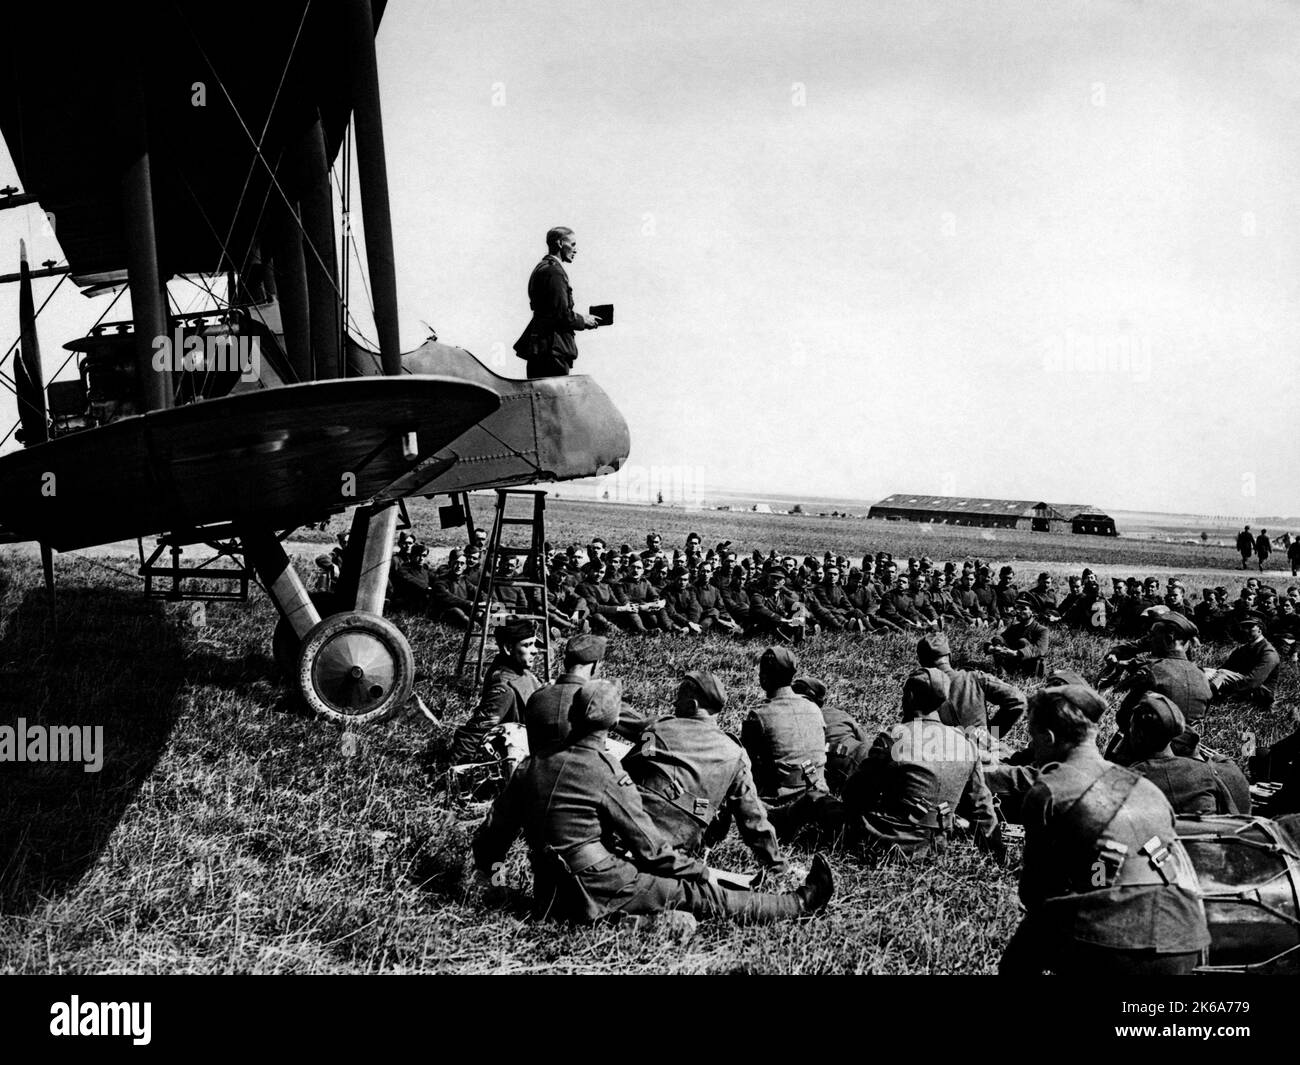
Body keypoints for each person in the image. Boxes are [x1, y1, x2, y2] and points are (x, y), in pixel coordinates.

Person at [472, 680, 834, 924]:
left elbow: (491, 836)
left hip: (546, 888)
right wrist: (703, 873)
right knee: (701, 896)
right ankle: (797, 904)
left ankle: (638, 923)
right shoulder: (607, 774)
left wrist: (490, 870)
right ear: (614, 721)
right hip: (598, 886)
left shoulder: (530, 765)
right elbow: (651, 851)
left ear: (572, 716)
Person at [998, 684, 1210, 976]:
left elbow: (1035, 892)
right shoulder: (1145, 787)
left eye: (1034, 738)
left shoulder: (1049, 790)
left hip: (1110, 941)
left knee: (1017, 961)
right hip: (1184, 934)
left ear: (1048, 737)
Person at [623, 671, 787, 874]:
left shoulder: (658, 729)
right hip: (674, 854)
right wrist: (777, 865)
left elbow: (624, 768)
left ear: (692, 706)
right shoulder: (735, 755)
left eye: (678, 700)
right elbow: (753, 818)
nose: (674, 705)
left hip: (625, 833)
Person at [841, 667, 1002, 859]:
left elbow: (853, 793)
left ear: (909, 696)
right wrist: (996, 854)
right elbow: (982, 807)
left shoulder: (895, 736)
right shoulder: (966, 742)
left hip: (885, 841)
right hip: (935, 846)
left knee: (819, 803)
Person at [741, 647, 838, 840]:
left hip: (779, 798)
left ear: (764, 677)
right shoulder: (813, 707)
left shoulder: (759, 715)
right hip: (817, 788)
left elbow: (746, 764)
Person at [1117, 693, 1246, 815]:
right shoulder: (1205, 771)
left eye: (1130, 729)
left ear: (1139, 735)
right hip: (1207, 836)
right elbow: (1234, 818)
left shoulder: (1129, 779)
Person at [523, 634, 645, 757]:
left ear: (565, 663)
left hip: (537, 772)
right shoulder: (597, 700)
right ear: (595, 665)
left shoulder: (536, 697)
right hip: (588, 772)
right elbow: (647, 727)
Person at [512, 227, 601, 378]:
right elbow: (561, 313)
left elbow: (553, 309)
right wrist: (583, 321)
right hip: (553, 351)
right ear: (560, 243)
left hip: (542, 348)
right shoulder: (554, 272)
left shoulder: (543, 268)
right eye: (572, 245)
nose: (575, 250)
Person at [450, 619, 542, 764]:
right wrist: (456, 770)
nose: (535, 651)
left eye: (534, 644)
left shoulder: (520, 671)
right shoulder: (504, 687)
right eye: (527, 645)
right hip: (518, 755)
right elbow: (474, 732)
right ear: (508, 648)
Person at [916, 633, 1027, 744]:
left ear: (921, 662)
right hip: (982, 753)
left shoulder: (918, 691)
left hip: (944, 756)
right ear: (949, 656)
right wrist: (991, 735)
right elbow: (1018, 700)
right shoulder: (975, 678)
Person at [793, 675, 868, 793]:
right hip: (868, 754)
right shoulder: (838, 713)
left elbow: (805, 761)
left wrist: (815, 784)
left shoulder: (797, 722)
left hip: (846, 771)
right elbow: (863, 739)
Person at [1209, 612, 1280, 710]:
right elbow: (1225, 667)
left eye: (1250, 627)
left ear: (1260, 629)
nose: (1246, 631)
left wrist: (1228, 689)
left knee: (1221, 674)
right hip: (1242, 686)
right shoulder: (1242, 649)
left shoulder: (1269, 653)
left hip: (1261, 695)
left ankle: (1205, 700)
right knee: (1207, 672)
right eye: (1244, 627)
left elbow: (1253, 682)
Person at [985, 596, 1050, 678]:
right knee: (998, 639)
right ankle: (1002, 673)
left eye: (1023, 608)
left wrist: (1016, 653)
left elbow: (1040, 649)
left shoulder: (1042, 630)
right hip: (1013, 664)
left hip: (1030, 668)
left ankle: (1020, 675)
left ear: (1033, 611)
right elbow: (1000, 637)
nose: (1018, 611)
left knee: (1022, 641)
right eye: (1017, 608)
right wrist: (992, 647)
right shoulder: (1014, 627)